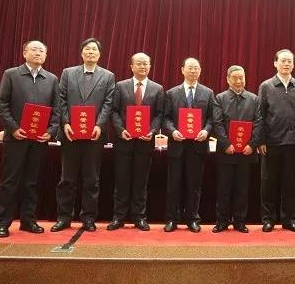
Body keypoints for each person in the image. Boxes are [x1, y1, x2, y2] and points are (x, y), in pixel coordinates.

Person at [0, 40, 59, 238]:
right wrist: (13, 129)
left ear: (46, 55)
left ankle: (28, 220)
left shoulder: (52, 79)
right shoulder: (11, 74)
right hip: (16, 138)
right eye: (34, 49)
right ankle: (3, 222)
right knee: (10, 181)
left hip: (39, 140)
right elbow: (2, 104)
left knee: (31, 181)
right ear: (24, 53)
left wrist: (51, 131)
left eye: (42, 51)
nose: (38, 53)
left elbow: (57, 110)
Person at [51, 38, 115, 232]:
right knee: (67, 179)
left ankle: (88, 218)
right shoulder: (68, 73)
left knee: (91, 180)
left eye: (94, 49)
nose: (91, 52)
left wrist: (100, 125)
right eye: (87, 49)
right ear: (81, 53)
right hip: (70, 133)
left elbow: (108, 103)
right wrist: (65, 123)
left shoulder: (108, 76)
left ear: (99, 54)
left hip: (94, 135)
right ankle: (64, 217)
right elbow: (60, 99)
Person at [107, 53, 164, 231]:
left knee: (141, 181)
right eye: (139, 63)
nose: (142, 66)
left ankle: (140, 217)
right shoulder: (120, 86)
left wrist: (152, 131)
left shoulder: (157, 88)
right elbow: (114, 111)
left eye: (146, 64)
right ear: (131, 66)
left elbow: (159, 114)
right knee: (121, 180)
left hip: (145, 142)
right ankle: (118, 217)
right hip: (124, 140)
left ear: (150, 66)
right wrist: (120, 130)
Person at [162, 57, 214, 233]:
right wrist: (172, 131)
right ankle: (172, 219)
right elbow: (165, 118)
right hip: (177, 145)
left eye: (196, 68)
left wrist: (206, 131)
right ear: (182, 70)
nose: (193, 71)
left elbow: (212, 118)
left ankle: (192, 218)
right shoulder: (171, 93)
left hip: (198, 146)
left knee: (194, 185)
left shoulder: (208, 93)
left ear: (200, 71)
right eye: (190, 68)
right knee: (173, 184)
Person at [258, 49, 295, 233]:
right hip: (271, 142)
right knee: (268, 182)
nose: (286, 64)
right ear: (275, 63)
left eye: (289, 61)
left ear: (293, 65)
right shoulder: (266, 86)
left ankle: (288, 219)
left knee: (290, 183)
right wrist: (261, 140)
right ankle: (268, 219)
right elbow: (260, 115)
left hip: (292, 142)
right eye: (283, 61)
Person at [211, 65, 262, 233]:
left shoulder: (254, 99)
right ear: (228, 79)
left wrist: (252, 145)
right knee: (223, 189)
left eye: (242, 78)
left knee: (242, 189)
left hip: (246, 153)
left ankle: (240, 221)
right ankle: (222, 221)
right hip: (226, 152)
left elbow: (259, 123)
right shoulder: (220, 98)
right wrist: (226, 144)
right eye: (235, 78)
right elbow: (217, 123)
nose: (239, 81)